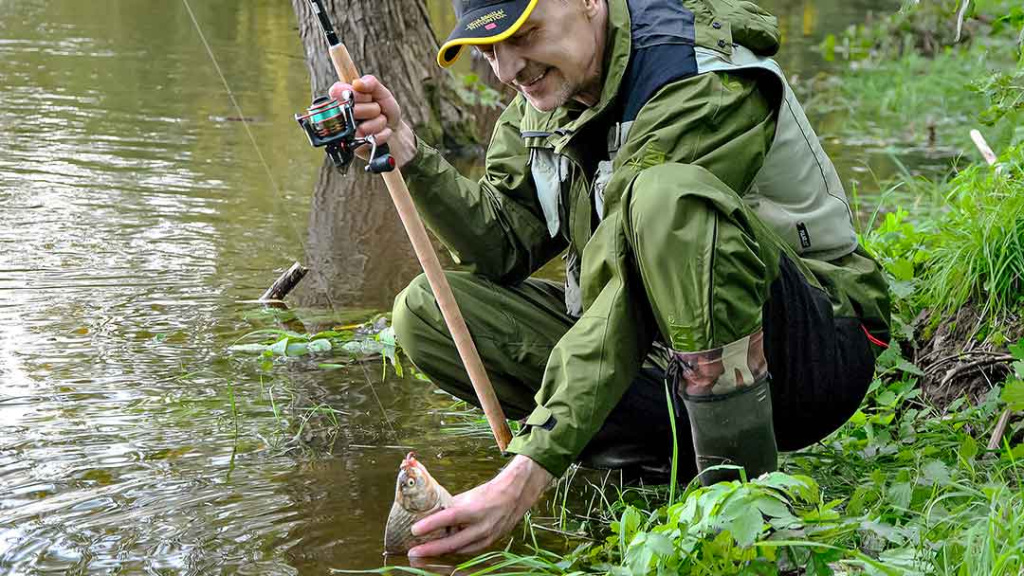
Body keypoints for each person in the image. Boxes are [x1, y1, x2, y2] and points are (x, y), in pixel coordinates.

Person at [330, 0, 891, 557]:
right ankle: (657, 462)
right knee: (427, 312)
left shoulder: (699, 77)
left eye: (522, 35)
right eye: (489, 51)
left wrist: (529, 468)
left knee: (666, 200)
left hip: (812, 351)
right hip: (660, 351)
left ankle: (740, 517)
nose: (507, 70)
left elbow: (629, 280)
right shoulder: (546, 96)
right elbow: (503, 242)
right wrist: (409, 152)